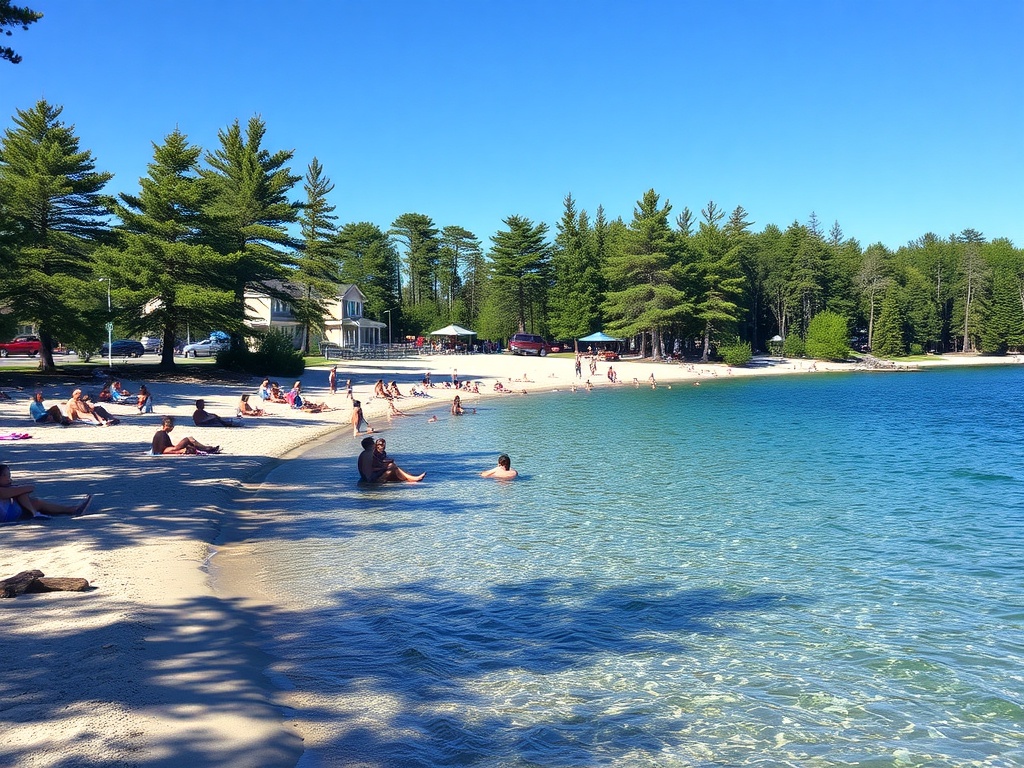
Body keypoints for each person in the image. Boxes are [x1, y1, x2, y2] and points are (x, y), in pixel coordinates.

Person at [0, 463, 92, 521]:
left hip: (8, 513)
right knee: (22, 493)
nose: (10, 479)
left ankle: (70, 510)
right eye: (7, 476)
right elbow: (30, 488)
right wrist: (15, 487)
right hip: (8, 515)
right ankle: (34, 513)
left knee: (35, 502)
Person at [357, 437, 424, 482]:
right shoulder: (370, 454)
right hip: (371, 479)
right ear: (371, 445)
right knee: (392, 466)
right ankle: (410, 479)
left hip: (365, 478)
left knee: (392, 467)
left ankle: (409, 478)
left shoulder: (363, 454)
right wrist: (386, 466)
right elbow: (374, 468)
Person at [152, 416, 219, 455]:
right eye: (172, 426)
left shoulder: (159, 433)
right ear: (167, 426)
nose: (172, 428)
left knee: (189, 445)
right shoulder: (163, 434)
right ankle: (207, 448)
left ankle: (206, 449)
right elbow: (166, 447)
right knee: (189, 439)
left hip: (163, 450)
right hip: (165, 450)